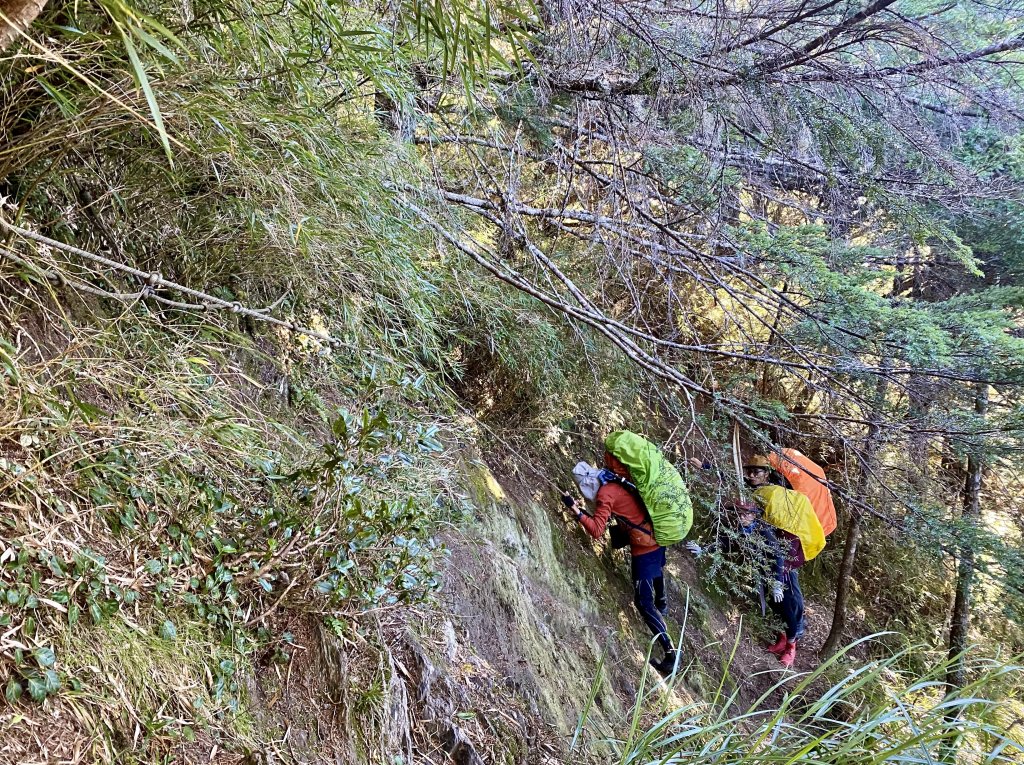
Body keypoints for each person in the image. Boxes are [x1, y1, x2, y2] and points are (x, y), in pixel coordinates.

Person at [562, 452, 680, 676]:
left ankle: (671, 653)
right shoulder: (613, 479)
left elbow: (597, 531)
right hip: (655, 536)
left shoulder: (605, 494)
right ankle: (662, 600)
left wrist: (575, 511)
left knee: (643, 603)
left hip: (645, 548)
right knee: (656, 576)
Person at [688, 496, 806, 668]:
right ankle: (783, 638)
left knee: (787, 608)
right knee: (775, 607)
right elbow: (724, 542)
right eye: (739, 513)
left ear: (753, 515)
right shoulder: (738, 529)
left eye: (746, 514)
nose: (741, 517)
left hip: (781, 574)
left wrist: (778, 583)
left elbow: (778, 556)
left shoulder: (763, 531)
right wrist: (703, 550)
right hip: (764, 575)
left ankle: (790, 646)